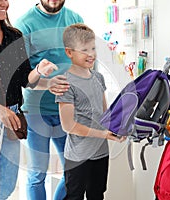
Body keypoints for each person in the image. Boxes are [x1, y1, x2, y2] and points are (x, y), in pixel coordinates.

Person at [0, 0, 68, 199]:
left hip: (12, 117)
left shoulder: (14, 36)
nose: (4, 3)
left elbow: (25, 79)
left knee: (6, 185)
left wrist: (39, 71)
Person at [14, 0, 84, 199]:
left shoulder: (75, 20)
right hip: (36, 109)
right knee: (37, 174)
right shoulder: (24, 25)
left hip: (67, 108)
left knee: (73, 171)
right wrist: (47, 82)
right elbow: (23, 78)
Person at [55, 23, 126, 200]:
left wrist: (117, 129)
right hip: (78, 157)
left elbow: (105, 114)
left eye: (93, 48)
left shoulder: (98, 77)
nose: (91, 54)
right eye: (84, 50)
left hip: (101, 153)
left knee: (97, 195)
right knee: (74, 196)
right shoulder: (65, 83)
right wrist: (103, 134)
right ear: (69, 52)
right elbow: (68, 126)